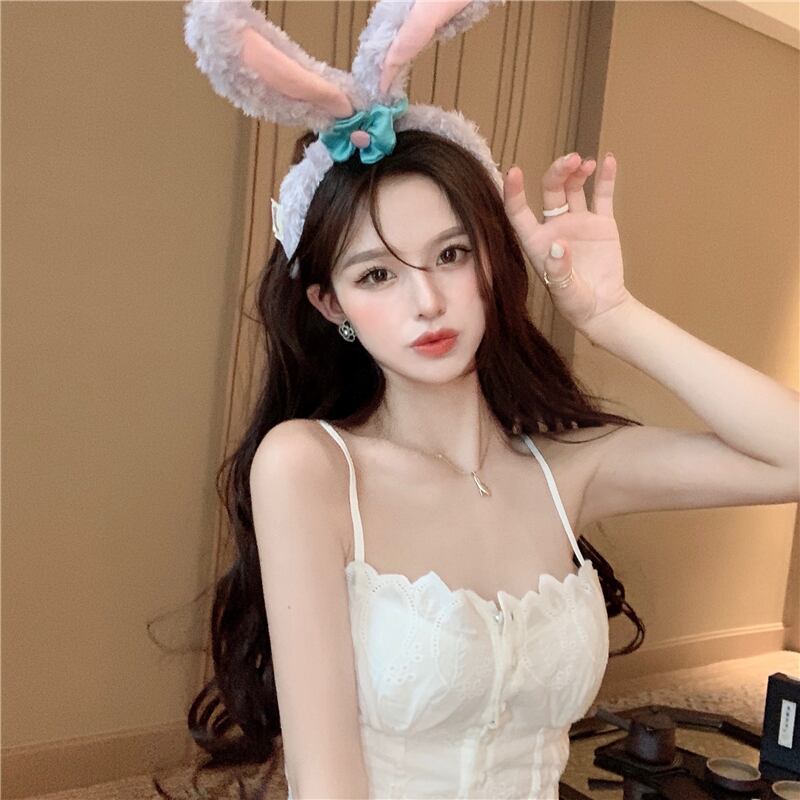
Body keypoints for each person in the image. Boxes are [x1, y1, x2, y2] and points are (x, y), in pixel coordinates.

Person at [164, 2, 800, 798]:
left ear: (491, 263)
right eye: (377, 274)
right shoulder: (310, 467)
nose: (426, 302)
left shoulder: (567, 468)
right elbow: (326, 782)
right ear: (332, 306)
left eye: (451, 255)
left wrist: (613, 316)